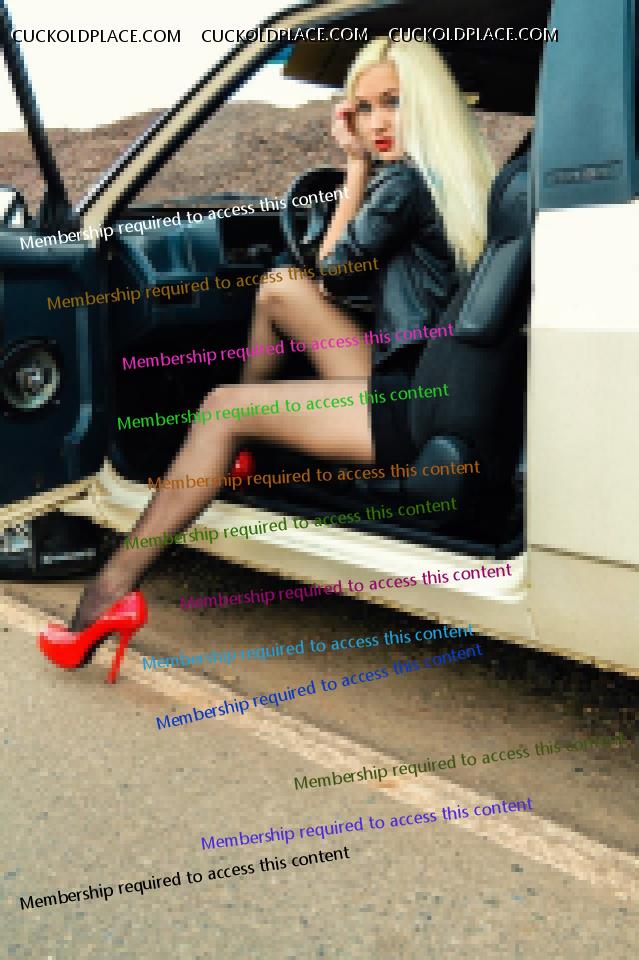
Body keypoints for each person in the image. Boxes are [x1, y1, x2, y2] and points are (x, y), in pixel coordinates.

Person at [38, 36, 495, 682]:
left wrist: (354, 166)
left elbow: (334, 269)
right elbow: (350, 283)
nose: (377, 122)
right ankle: (236, 448)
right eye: (364, 108)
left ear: (426, 103)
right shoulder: (459, 179)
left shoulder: (400, 183)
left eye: (393, 102)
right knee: (279, 286)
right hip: (428, 382)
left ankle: (106, 596)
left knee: (220, 407)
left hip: (403, 403)